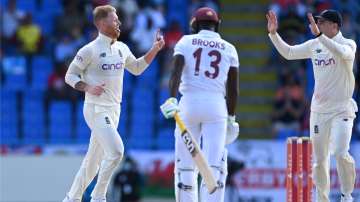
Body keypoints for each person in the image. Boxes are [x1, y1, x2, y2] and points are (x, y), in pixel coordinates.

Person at [63, 5, 164, 202]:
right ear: (101, 23)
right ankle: (99, 196)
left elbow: (136, 68)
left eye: (118, 19)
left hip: (114, 110)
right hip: (96, 109)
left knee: (92, 162)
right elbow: (70, 75)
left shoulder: (122, 48)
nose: (118, 23)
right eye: (114, 19)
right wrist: (87, 87)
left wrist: (155, 49)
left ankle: (71, 198)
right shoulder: (89, 50)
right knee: (117, 151)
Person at [266, 9, 358, 202]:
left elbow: (342, 53)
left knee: (341, 152)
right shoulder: (315, 44)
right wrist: (274, 35)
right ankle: (322, 199)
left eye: (322, 23)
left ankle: (346, 195)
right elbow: (289, 53)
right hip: (319, 111)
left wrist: (319, 36)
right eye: (318, 23)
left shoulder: (348, 44)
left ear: (335, 26)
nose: (318, 25)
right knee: (320, 160)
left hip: (342, 108)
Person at [160, 7, 239, 202]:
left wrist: (171, 99)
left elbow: (175, 73)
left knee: (185, 167)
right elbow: (233, 89)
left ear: (194, 24)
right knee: (214, 167)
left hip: (189, 104)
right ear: (217, 25)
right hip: (216, 107)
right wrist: (231, 117)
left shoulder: (185, 41)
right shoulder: (229, 48)